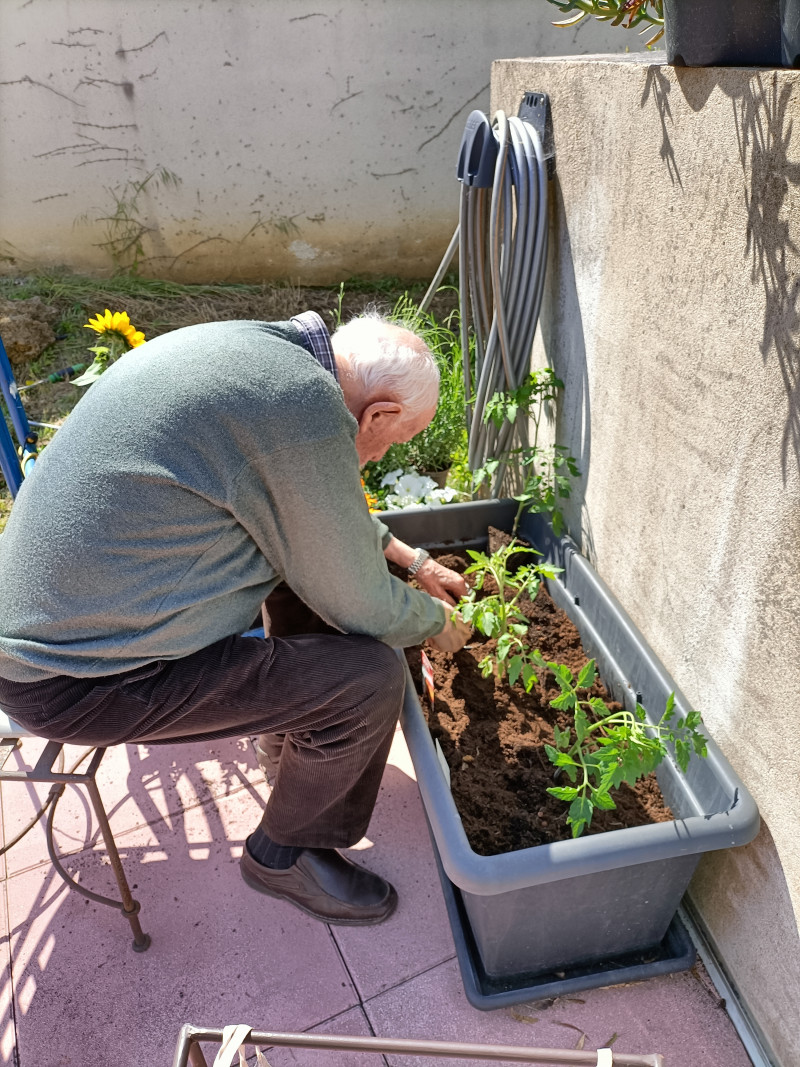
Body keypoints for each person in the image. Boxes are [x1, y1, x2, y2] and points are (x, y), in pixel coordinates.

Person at [0, 309, 471, 926]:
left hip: (60, 629)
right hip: (78, 682)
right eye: (393, 441)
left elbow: (318, 509)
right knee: (368, 681)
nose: (381, 455)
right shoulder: (299, 411)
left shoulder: (264, 358)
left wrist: (412, 562)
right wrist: (437, 622)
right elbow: (361, 603)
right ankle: (285, 854)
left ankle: (289, 743)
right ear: (377, 415)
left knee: (303, 568)